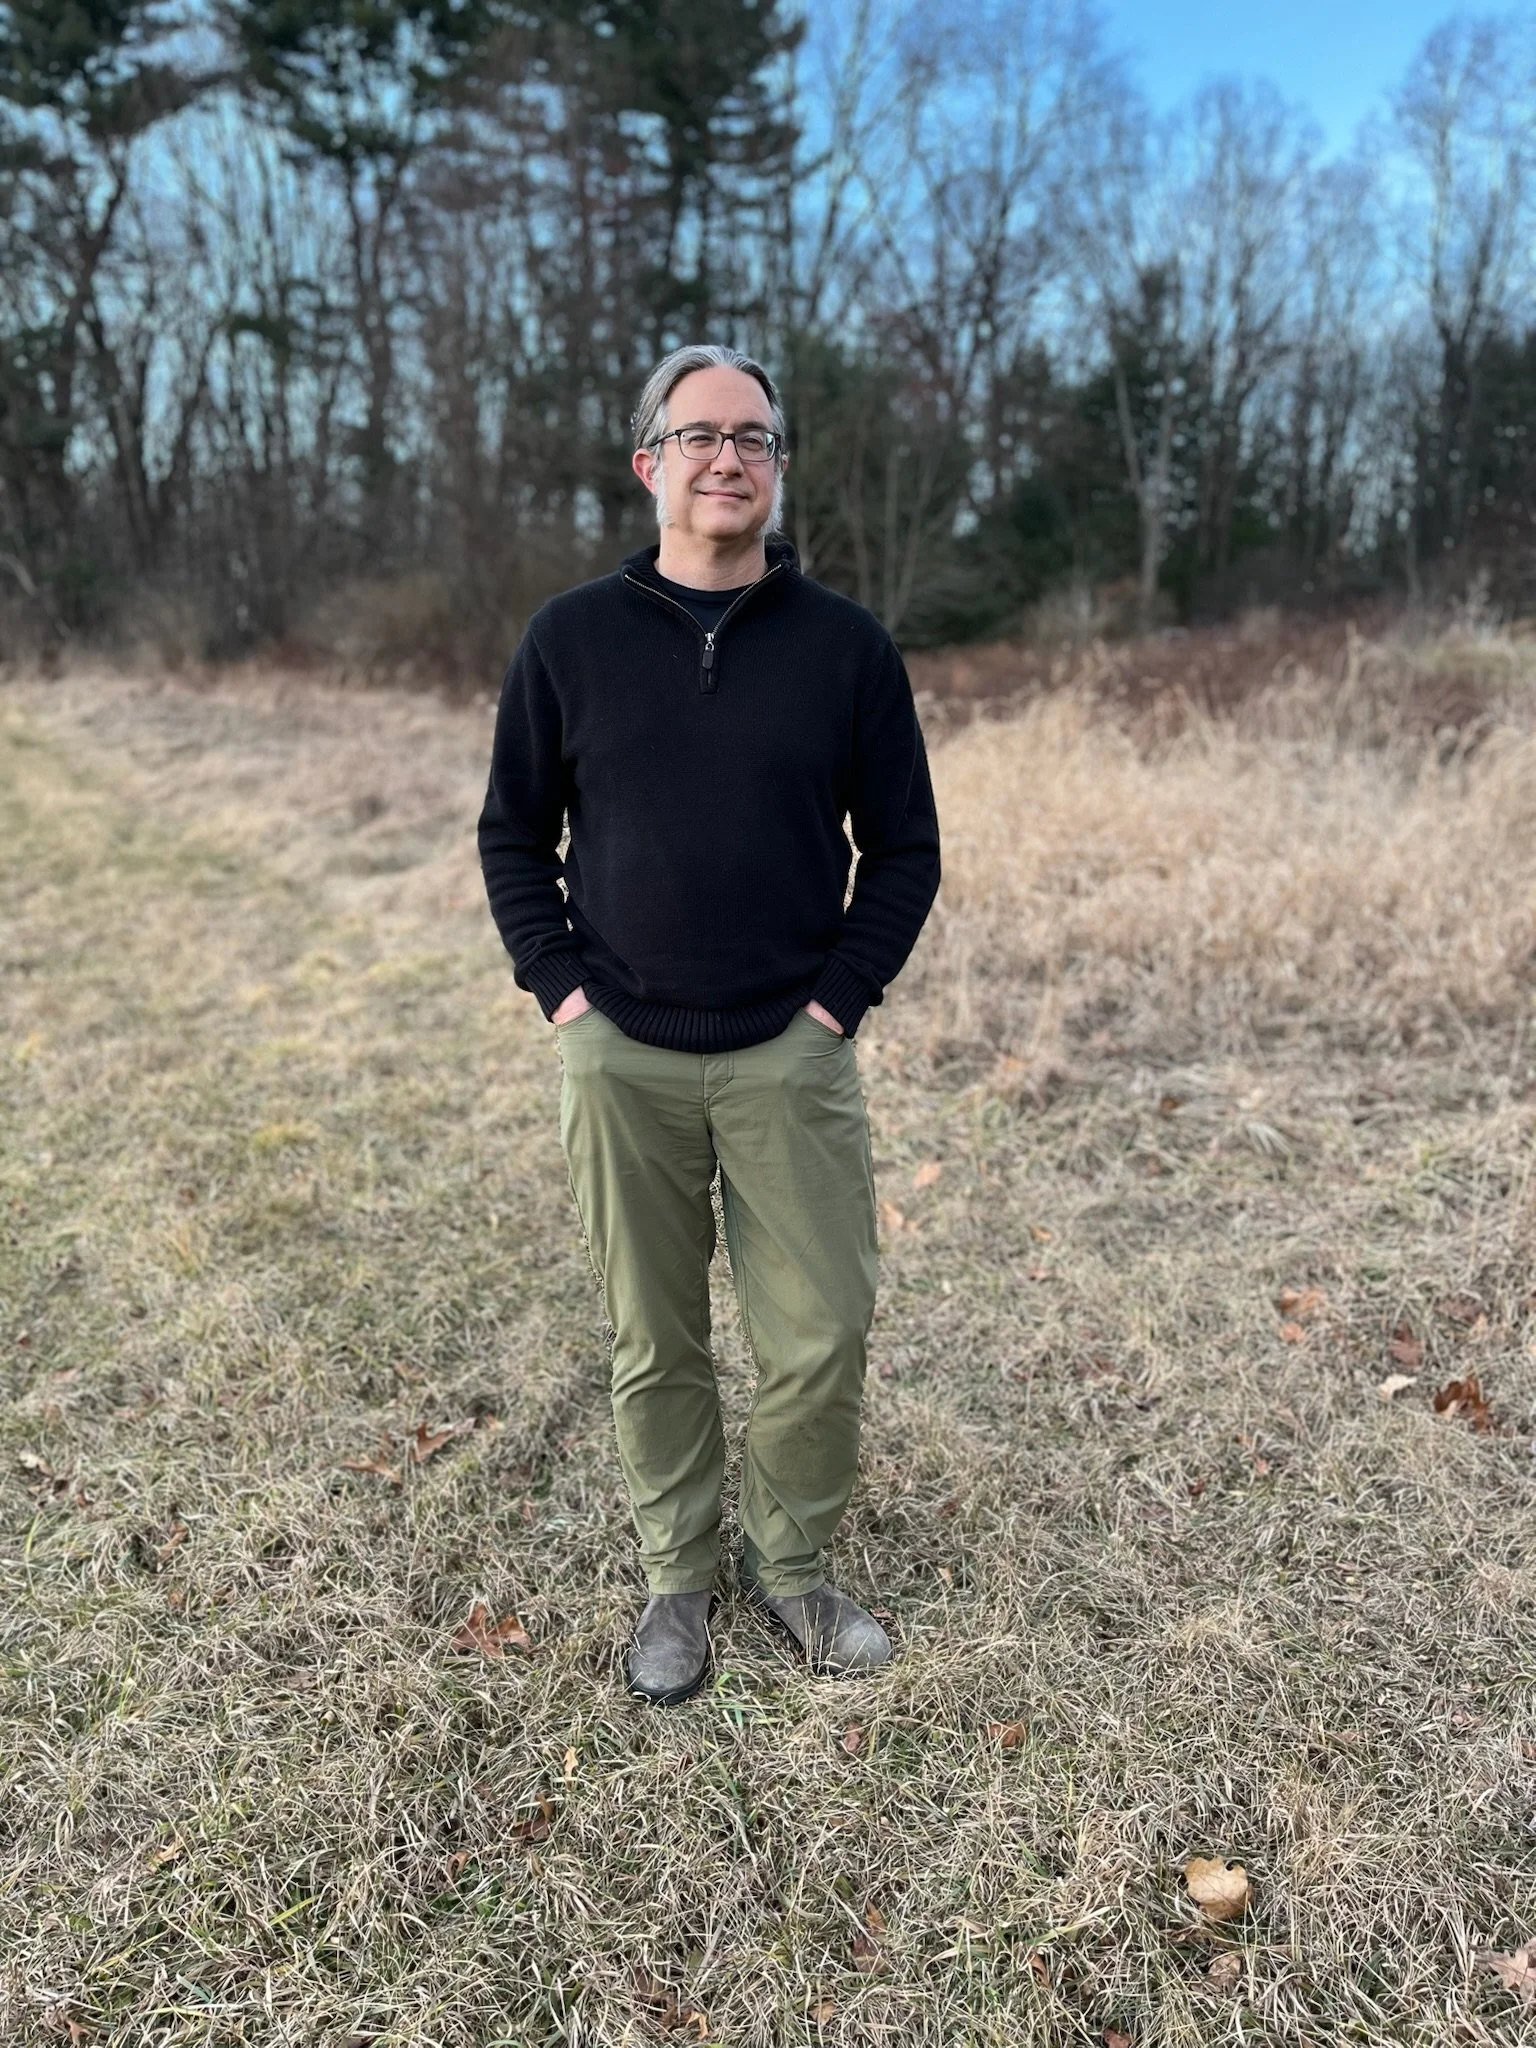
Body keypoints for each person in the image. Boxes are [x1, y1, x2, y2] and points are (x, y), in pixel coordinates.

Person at [478, 344, 941, 1706]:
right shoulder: (570, 639)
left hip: (787, 1050)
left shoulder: (846, 649)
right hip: (621, 1048)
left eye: (753, 438)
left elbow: (904, 851)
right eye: (699, 436)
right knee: (654, 1334)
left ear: (778, 469)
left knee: (821, 1333)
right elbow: (513, 835)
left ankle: (789, 1563)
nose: (727, 458)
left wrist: (834, 1005)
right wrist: (564, 994)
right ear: (650, 464)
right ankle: (678, 1575)